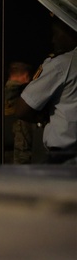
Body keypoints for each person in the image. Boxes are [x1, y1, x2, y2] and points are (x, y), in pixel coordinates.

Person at [12, 16, 77, 164]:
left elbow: (22, 109)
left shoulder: (62, 64)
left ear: (70, 31)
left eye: (56, 34)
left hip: (65, 158)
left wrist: (40, 119)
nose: (53, 40)